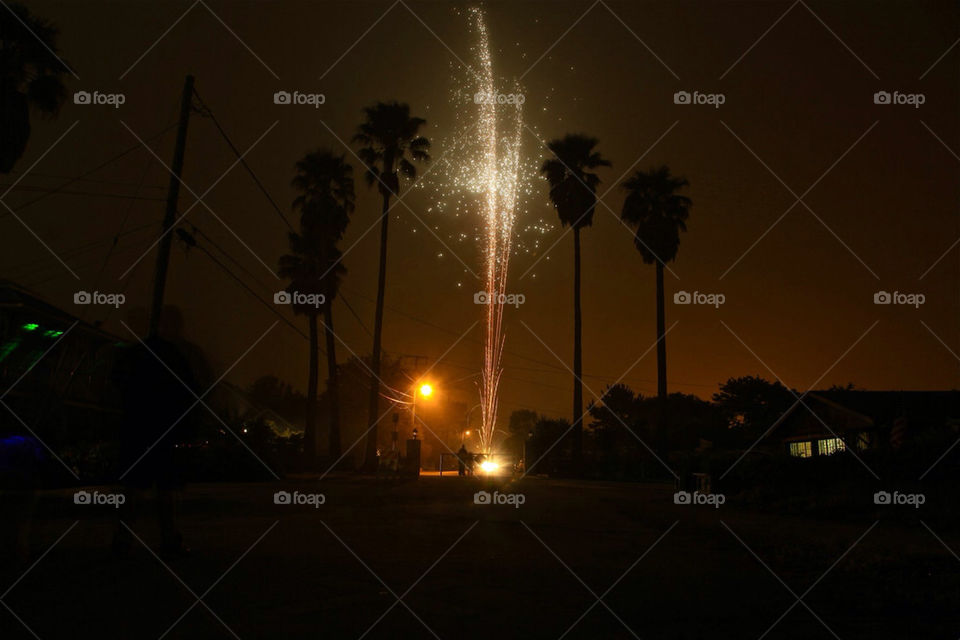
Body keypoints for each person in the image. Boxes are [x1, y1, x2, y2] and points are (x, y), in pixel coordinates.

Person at [111, 307, 200, 559]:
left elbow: (115, 386)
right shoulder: (175, 356)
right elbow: (190, 394)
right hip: (161, 431)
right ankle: (168, 540)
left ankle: (123, 540)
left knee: (134, 490)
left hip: (137, 430)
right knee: (164, 490)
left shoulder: (134, 354)